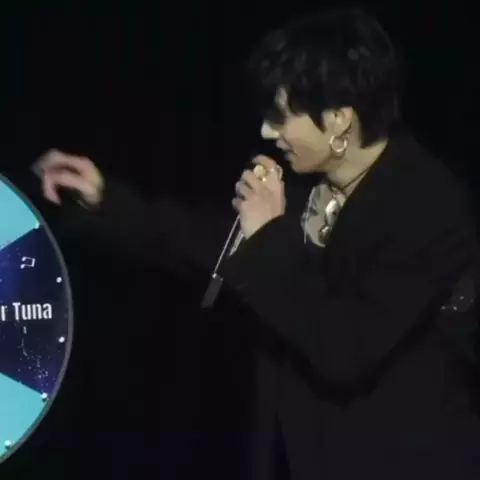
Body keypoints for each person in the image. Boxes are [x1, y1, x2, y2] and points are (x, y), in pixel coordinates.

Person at [33, 7, 480, 480]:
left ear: (339, 121)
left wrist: (266, 236)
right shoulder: (308, 183)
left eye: (280, 117)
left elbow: (344, 348)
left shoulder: (427, 204)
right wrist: (104, 200)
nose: (268, 132)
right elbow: (200, 240)